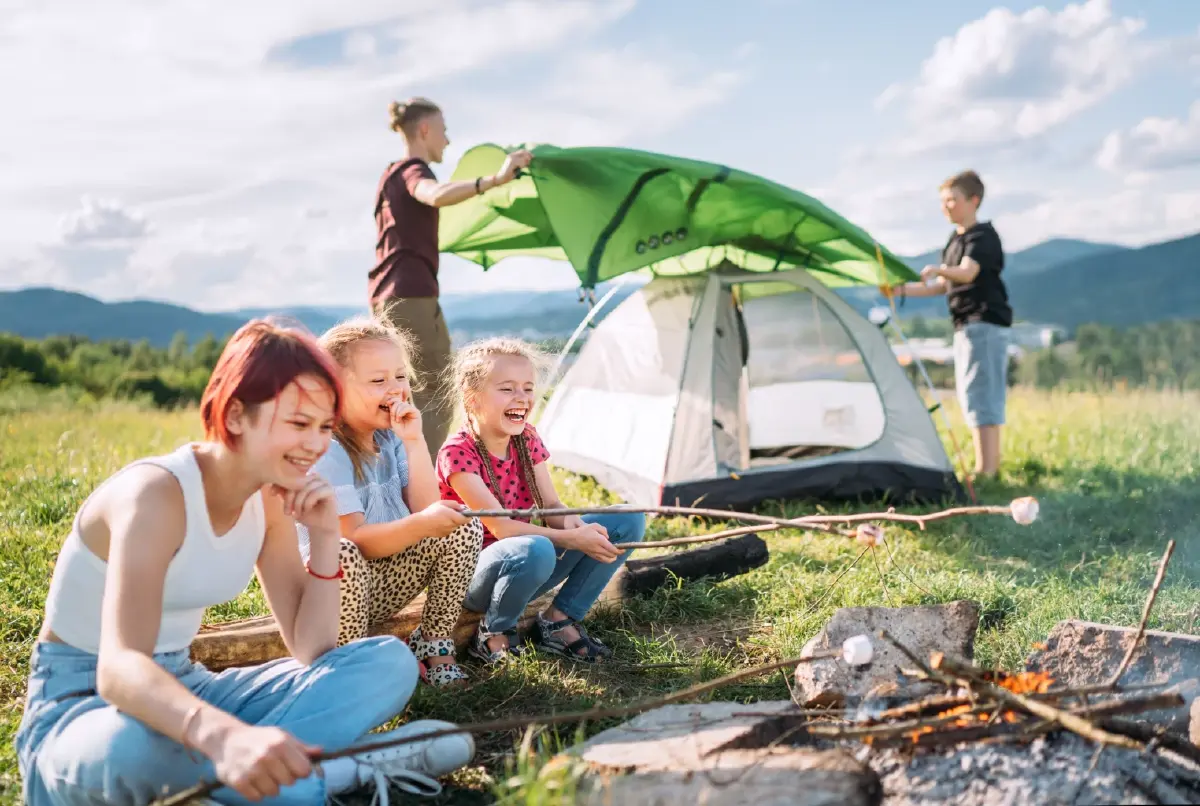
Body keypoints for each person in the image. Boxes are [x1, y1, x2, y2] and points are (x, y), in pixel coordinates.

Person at [14, 320, 475, 806]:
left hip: (189, 686)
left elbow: (313, 650)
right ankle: (342, 769)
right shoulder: (153, 495)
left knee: (387, 663)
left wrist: (324, 538)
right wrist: (225, 737)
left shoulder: (270, 497)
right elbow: (118, 669)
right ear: (236, 415)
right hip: (85, 705)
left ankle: (243, 776)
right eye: (298, 424)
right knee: (132, 747)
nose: (316, 445)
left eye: (324, 427)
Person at [435, 338, 646, 665]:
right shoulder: (457, 454)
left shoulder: (526, 438)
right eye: (507, 389)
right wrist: (571, 539)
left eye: (528, 388)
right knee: (537, 547)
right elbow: (503, 528)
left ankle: (559, 620)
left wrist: (577, 527)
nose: (522, 397)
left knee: (627, 520)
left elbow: (551, 505)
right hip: (473, 578)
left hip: (531, 564)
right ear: (472, 398)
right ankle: (493, 631)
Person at [300, 315, 484, 688]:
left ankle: (434, 645)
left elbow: (426, 509)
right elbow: (355, 540)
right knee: (340, 551)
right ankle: (352, 666)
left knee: (462, 527)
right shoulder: (326, 450)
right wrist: (422, 523)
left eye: (400, 376)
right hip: (326, 599)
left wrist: (414, 441)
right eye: (378, 381)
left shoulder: (391, 438)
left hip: (381, 586)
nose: (396, 389)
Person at [369, 97, 533, 460]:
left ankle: (399, 475)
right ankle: (422, 482)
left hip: (393, 295)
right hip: (411, 296)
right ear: (425, 130)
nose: (447, 140)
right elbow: (434, 195)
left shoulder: (389, 176)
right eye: (443, 131)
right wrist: (496, 180)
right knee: (437, 393)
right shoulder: (413, 171)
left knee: (407, 392)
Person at [882, 170, 1012, 480]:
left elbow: (966, 273)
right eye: (944, 201)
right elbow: (942, 286)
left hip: (984, 322)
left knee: (982, 394)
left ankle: (987, 470)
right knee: (973, 393)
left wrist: (938, 269)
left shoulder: (982, 237)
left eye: (952, 200)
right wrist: (898, 290)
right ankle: (987, 467)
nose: (946, 207)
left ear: (974, 200)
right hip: (965, 325)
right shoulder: (955, 240)